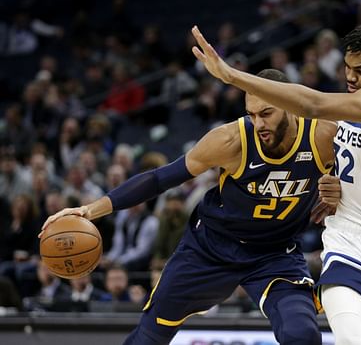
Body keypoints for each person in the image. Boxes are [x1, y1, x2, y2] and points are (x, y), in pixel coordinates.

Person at [41, 69, 338, 345]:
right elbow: (160, 178)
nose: (258, 123)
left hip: (275, 254)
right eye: (251, 114)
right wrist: (89, 210)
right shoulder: (231, 140)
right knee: (149, 336)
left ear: (289, 104)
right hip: (210, 248)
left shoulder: (323, 137)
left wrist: (341, 190)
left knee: (303, 334)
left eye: (266, 113)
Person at [191, 20, 361, 345]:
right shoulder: (356, 98)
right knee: (350, 338)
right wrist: (333, 181)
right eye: (347, 67)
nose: (350, 77)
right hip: (348, 239)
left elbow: (313, 105)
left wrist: (232, 76)